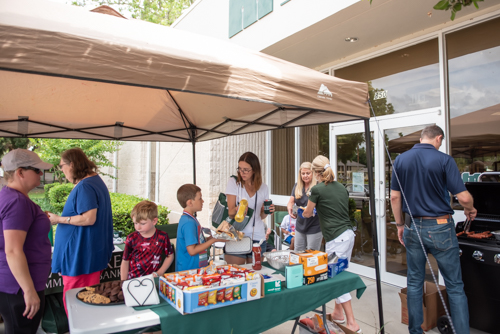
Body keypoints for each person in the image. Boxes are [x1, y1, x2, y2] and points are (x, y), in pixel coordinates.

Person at [390, 125, 476, 334]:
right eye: (440, 141)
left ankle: (415, 331)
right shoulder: (444, 160)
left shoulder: (401, 160)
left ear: (421, 139)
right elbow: (463, 197)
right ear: (438, 138)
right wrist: (470, 208)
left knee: (415, 283)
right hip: (440, 228)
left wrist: (400, 224)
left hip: (413, 227)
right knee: (454, 286)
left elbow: (394, 197)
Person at [48, 148, 114, 314]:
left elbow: (88, 218)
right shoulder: (94, 181)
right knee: (87, 297)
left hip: (80, 256)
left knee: (76, 301)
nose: (61, 171)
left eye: (61, 166)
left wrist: (58, 219)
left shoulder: (86, 186)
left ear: (71, 165)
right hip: (86, 253)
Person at [302, 155, 361, 333]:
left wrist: (303, 212)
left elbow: (307, 213)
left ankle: (352, 323)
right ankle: (337, 313)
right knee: (340, 273)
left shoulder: (318, 190)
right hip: (348, 235)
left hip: (336, 239)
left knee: (335, 279)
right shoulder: (341, 188)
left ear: (315, 172)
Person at [0, 149, 52, 334]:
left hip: (16, 285)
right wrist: (29, 291)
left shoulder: (11, 196)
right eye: (36, 169)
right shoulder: (17, 202)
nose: (40, 174)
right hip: (20, 288)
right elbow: (12, 250)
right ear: (20, 172)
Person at [225, 152, 275, 265]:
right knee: (235, 275)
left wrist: (265, 210)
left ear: (254, 169)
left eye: (246, 169)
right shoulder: (234, 183)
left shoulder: (263, 187)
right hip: (236, 236)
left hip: (257, 237)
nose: (242, 172)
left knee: (255, 276)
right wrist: (239, 209)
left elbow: (261, 216)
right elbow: (230, 213)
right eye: (240, 169)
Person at [176, 184, 226, 271]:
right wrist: (212, 241)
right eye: (200, 198)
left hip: (195, 269)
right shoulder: (188, 223)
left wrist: (210, 238)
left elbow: (196, 242)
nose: (202, 201)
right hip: (189, 272)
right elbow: (192, 250)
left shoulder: (190, 219)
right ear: (190, 202)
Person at [120, 200, 174, 280]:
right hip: (133, 281)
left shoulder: (162, 237)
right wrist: (123, 282)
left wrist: (160, 272)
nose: (138, 227)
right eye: (135, 223)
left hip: (153, 280)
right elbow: (125, 261)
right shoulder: (131, 238)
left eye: (142, 224)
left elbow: (170, 255)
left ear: (154, 221)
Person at [287, 161, 321, 251]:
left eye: (308, 173)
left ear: (313, 173)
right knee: (298, 252)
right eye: (303, 173)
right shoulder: (297, 186)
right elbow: (291, 201)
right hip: (300, 225)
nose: (305, 175)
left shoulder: (317, 187)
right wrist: (290, 208)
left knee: (311, 254)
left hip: (314, 225)